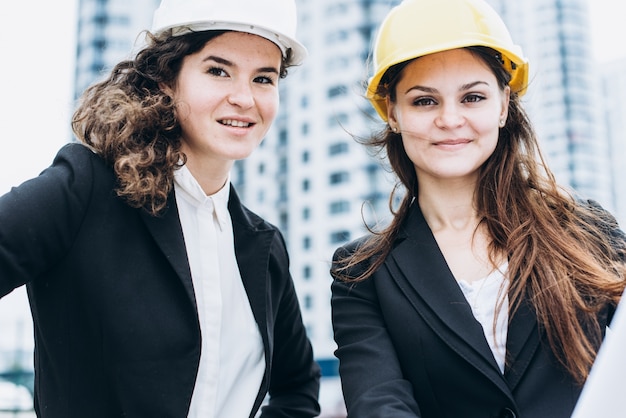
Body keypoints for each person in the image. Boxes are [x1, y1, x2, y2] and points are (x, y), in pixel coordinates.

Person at [0, 0, 321, 417]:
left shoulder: (262, 246)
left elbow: (298, 388)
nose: (244, 97)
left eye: (264, 78)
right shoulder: (86, 189)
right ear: (167, 80)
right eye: (218, 71)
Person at [329, 0, 626, 417]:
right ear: (392, 112)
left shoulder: (587, 232)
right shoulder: (361, 275)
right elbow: (380, 404)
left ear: (503, 105)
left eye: (472, 97)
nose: (450, 119)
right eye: (424, 101)